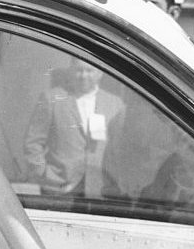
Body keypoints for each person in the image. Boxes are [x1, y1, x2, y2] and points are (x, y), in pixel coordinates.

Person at [24, 58, 125, 198]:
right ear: (71, 71)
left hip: (99, 188)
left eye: (89, 70)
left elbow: (121, 148)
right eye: (79, 70)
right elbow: (32, 143)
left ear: (100, 73)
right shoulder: (52, 98)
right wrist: (43, 173)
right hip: (58, 188)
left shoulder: (115, 104)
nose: (84, 75)